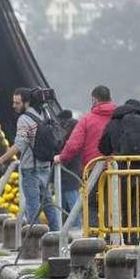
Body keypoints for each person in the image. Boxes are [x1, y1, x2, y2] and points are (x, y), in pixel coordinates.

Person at [0, 88, 60, 231]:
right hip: (45, 166)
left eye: (17, 103)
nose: (14, 106)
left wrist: (2, 159)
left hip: (30, 169)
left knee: (32, 206)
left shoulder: (24, 120)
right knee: (48, 204)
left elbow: (19, 145)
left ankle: (33, 239)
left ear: (27, 102)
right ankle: (57, 235)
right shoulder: (44, 115)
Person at [98, 99, 140, 244]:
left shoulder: (115, 121)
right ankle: (134, 240)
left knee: (120, 207)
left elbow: (102, 146)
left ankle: (113, 240)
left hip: (121, 171)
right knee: (139, 209)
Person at [54, 85, 116, 229]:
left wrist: (61, 158)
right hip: (116, 168)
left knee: (92, 203)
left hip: (93, 168)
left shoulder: (87, 120)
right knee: (112, 203)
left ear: (94, 99)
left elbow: (73, 145)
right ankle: (112, 237)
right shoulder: (118, 118)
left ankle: (93, 238)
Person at [56, 109, 82, 228]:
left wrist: (60, 157)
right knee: (70, 198)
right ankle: (72, 224)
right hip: (73, 171)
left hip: (68, 171)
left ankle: (76, 225)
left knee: (71, 198)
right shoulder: (76, 133)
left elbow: (68, 152)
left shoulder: (69, 138)